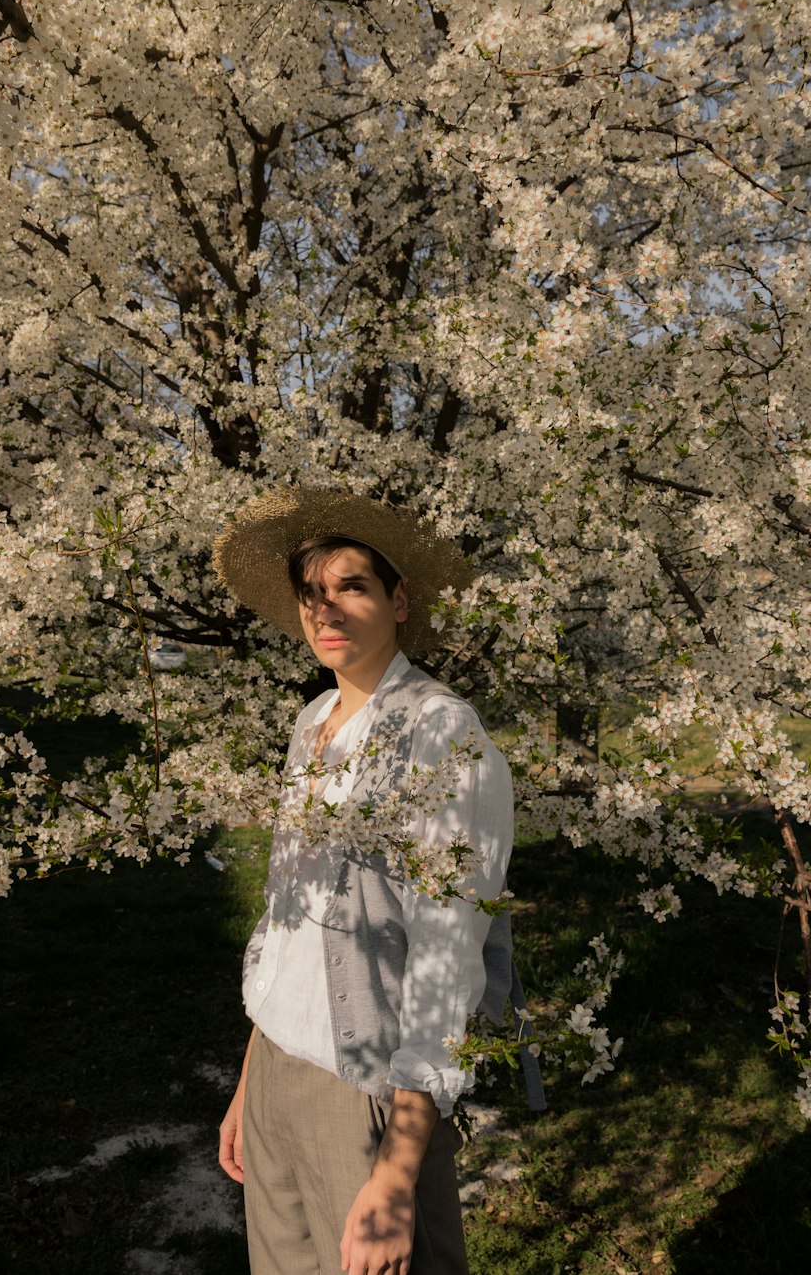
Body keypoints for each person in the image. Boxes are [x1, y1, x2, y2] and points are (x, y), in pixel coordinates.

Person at [212, 487, 542, 1275]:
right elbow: (289, 918)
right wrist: (251, 1079)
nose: (325, 610)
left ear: (398, 600)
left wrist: (396, 1172)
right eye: (310, 594)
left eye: (350, 586)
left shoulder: (442, 734)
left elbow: (446, 959)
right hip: (278, 1075)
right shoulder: (311, 725)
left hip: (364, 1085)